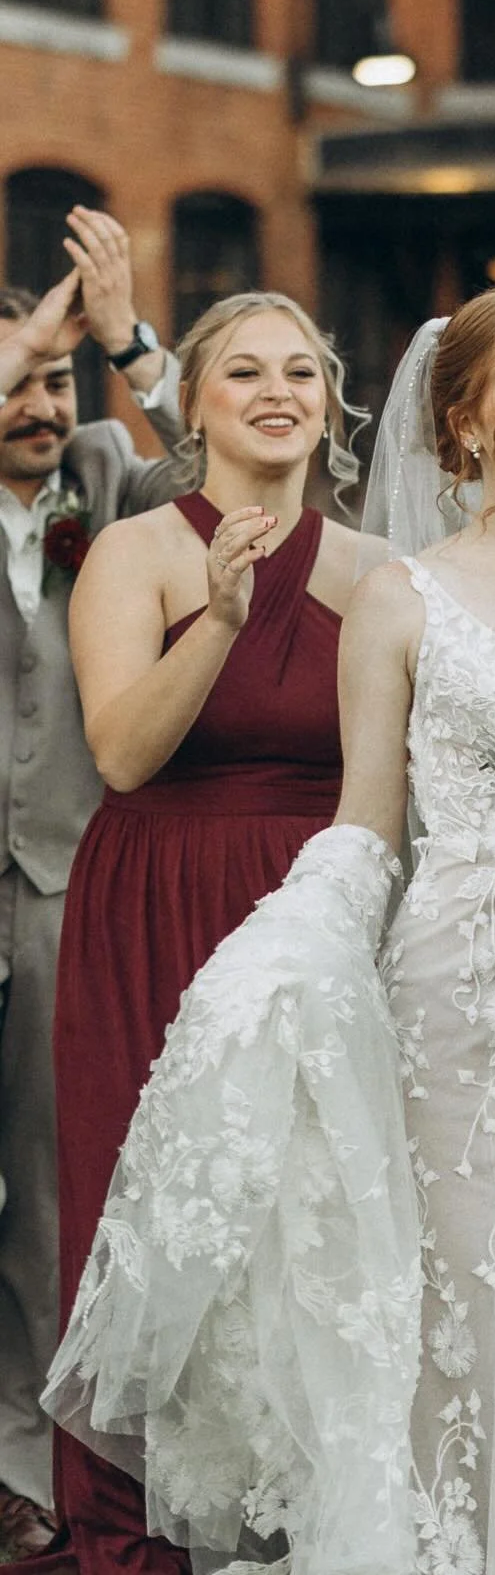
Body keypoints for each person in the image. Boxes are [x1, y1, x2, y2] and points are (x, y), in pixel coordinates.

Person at [41, 287, 495, 1575]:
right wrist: (272, 963)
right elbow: (366, 825)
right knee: (445, 1374)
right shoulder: (402, 599)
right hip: (451, 1042)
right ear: (467, 423)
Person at [19, 290, 371, 1575]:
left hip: (318, 912)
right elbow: (119, 754)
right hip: (156, 906)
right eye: (243, 372)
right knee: (149, 1215)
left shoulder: (379, 570)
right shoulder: (137, 552)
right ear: (198, 403)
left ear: (329, 402)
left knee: (306, 1222)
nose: (276, 392)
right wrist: (218, 615)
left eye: (300, 371)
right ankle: (134, 1530)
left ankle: (298, 1518)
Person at [0, 208, 190, 1560]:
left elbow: (228, 467)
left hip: (67, 895)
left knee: (54, 1198)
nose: (37, 403)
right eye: (15, 379)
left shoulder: (107, 478)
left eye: (49, 380)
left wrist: (127, 344)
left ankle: (27, 1466)